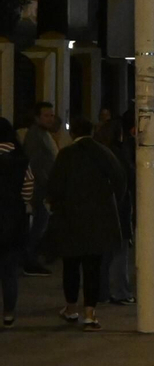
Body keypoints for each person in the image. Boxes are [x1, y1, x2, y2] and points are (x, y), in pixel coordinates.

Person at [45, 117, 127, 331]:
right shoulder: (104, 153)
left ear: (73, 134)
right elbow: (120, 181)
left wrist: (56, 205)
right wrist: (110, 204)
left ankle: (71, 308)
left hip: (70, 220)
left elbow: (54, 185)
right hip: (98, 220)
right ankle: (90, 313)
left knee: (71, 266)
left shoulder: (66, 155)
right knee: (93, 267)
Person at [93, 118, 134, 305]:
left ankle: (101, 292)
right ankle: (120, 291)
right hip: (119, 206)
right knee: (120, 250)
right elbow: (128, 178)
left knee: (104, 253)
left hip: (101, 206)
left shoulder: (98, 152)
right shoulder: (119, 153)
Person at [20, 101, 64, 275]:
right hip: (39, 189)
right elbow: (35, 164)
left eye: (51, 115)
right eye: (46, 115)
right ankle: (29, 260)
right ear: (37, 117)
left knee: (42, 224)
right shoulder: (35, 135)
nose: (50, 118)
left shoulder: (45, 134)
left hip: (44, 187)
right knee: (39, 225)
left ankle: (33, 258)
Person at [0, 118, 35, 327]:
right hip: (13, 219)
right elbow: (28, 190)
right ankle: (8, 314)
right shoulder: (21, 159)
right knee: (9, 271)